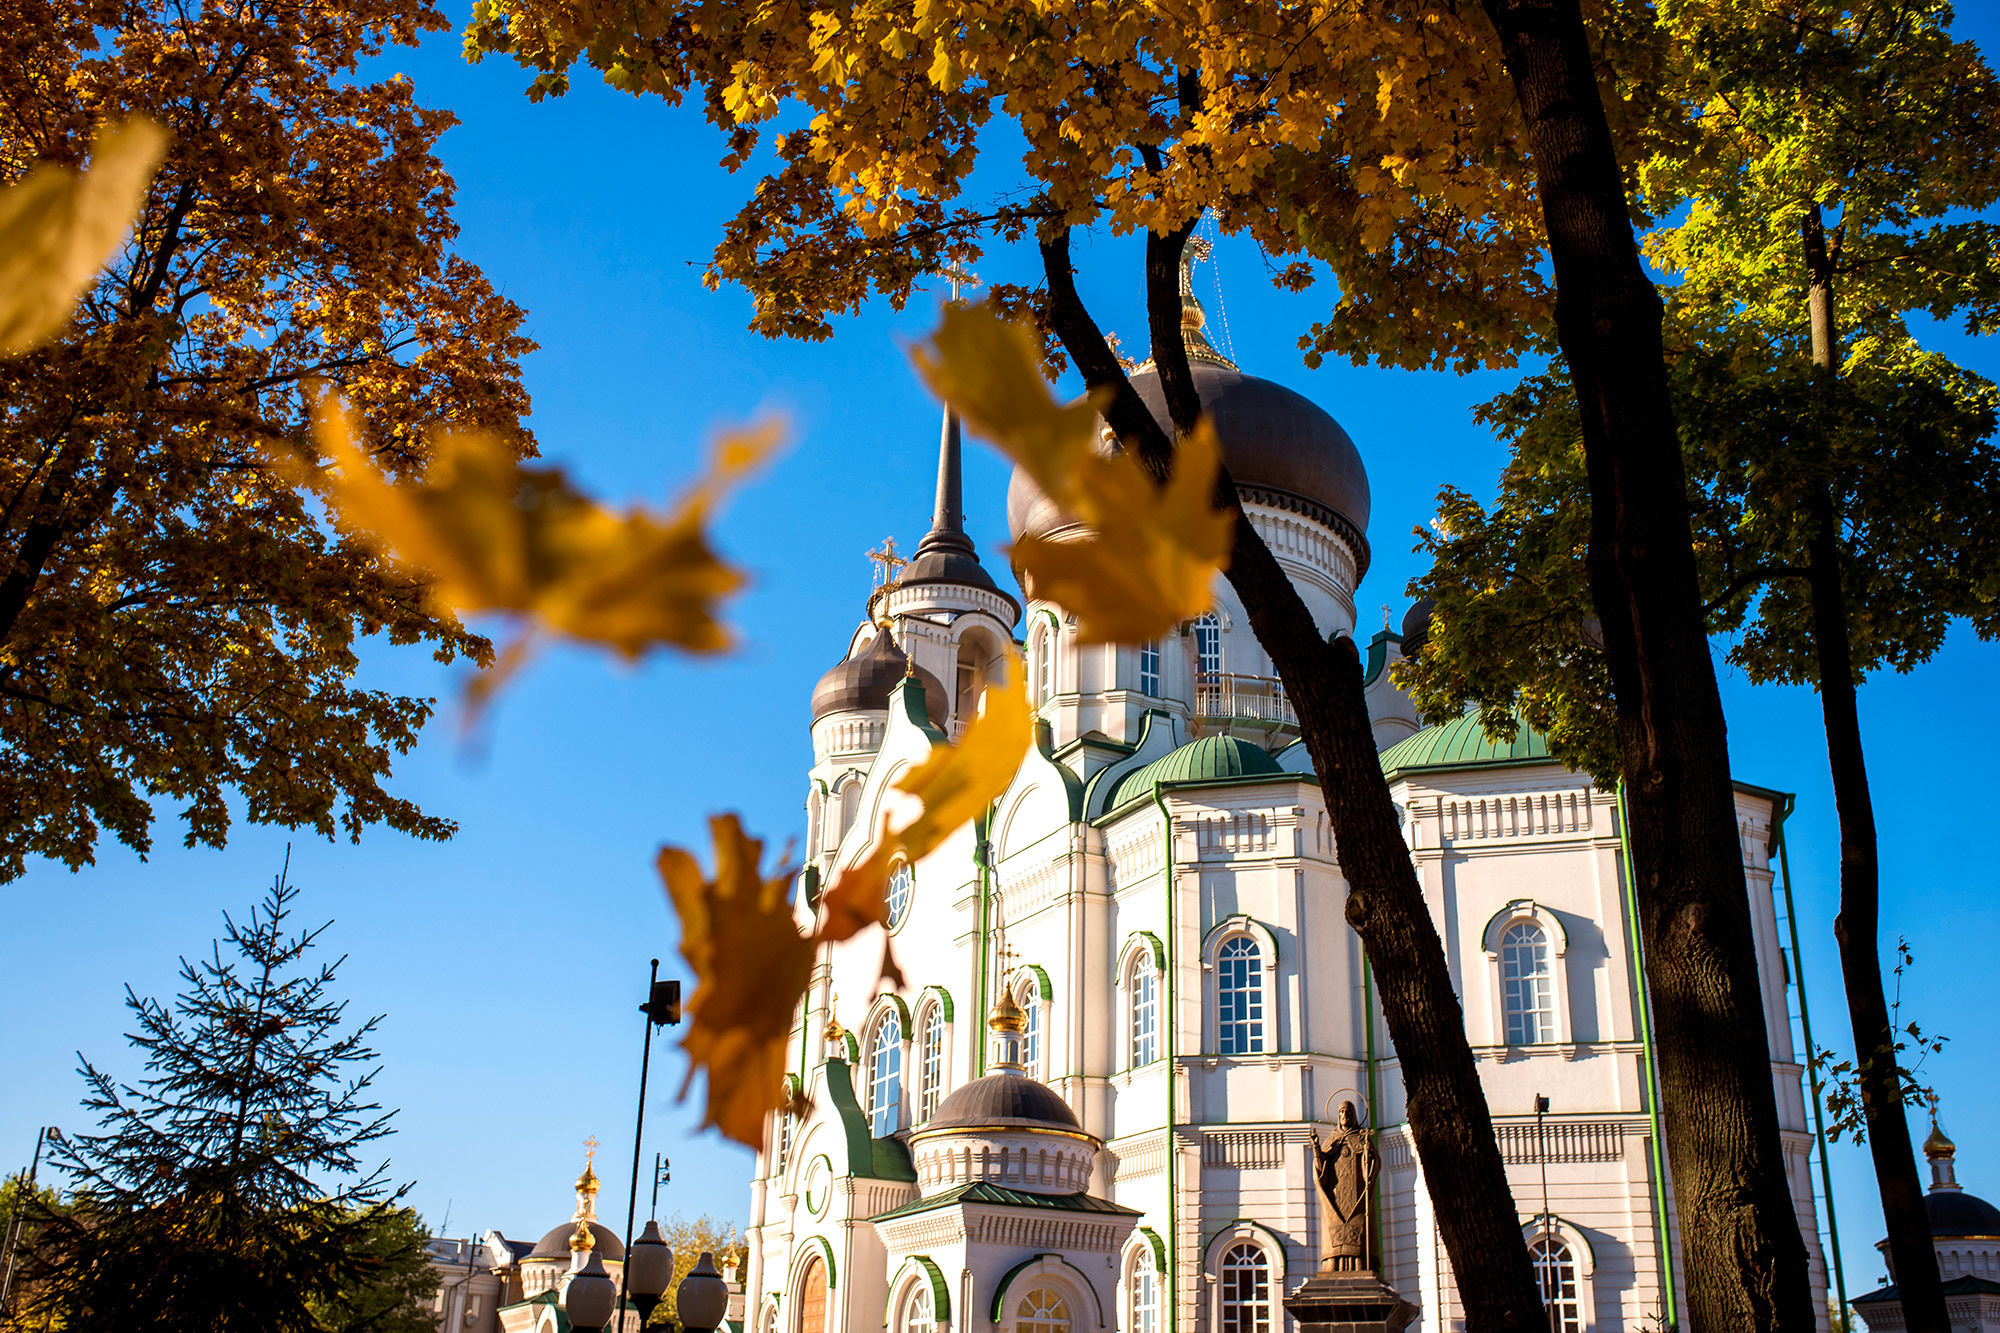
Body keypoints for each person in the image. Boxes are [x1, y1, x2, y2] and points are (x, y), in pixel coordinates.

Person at [1310, 1101, 1379, 1272]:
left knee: (1359, 1230)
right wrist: (1317, 1148)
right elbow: (1321, 1171)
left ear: (1353, 1116)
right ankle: (1333, 1264)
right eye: (1341, 1112)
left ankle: (1360, 1264)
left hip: (1357, 1197)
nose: (1344, 1115)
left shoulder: (1362, 1138)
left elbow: (1371, 1170)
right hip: (1336, 1198)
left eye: (1348, 1112)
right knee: (1334, 1229)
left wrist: (1367, 1153)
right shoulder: (1332, 1140)